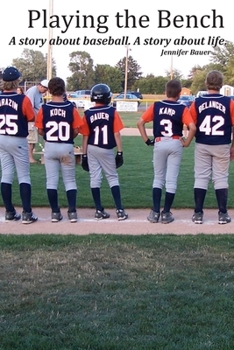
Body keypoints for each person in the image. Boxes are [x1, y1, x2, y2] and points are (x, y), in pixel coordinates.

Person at [137, 79, 196, 224]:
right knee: (171, 180)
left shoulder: (157, 105)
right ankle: (166, 213)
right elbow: (192, 127)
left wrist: (146, 140)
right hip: (175, 142)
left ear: (165, 92)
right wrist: (187, 142)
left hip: (160, 142)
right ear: (180, 93)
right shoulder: (182, 108)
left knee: (158, 178)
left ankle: (155, 212)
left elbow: (140, 123)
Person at [35, 77, 83, 223]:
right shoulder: (71, 108)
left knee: (51, 181)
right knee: (70, 181)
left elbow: (40, 130)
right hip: (66, 145)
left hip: (50, 145)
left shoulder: (44, 108)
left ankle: (55, 212)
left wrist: (49, 136)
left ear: (49, 90)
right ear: (63, 90)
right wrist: (69, 137)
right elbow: (76, 130)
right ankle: (72, 212)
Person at [190, 70, 234, 224]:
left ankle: (198, 213)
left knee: (201, 177)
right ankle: (222, 214)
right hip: (222, 143)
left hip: (202, 143)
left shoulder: (197, 102)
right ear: (221, 84)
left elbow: (190, 124)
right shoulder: (229, 102)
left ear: (206, 83)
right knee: (221, 177)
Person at [79, 83, 128, 221]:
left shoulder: (88, 113)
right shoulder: (112, 112)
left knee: (95, 178)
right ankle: (119, 210)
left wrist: (84, 154)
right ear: (107, 97)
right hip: (106, 148)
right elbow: (116, 134)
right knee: (112, 177)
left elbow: (85, 136)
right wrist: (119, 152)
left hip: (92, 148)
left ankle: (99, 210)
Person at [0, 66, 38, 224]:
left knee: (6, 174)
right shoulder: (23, 99)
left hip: (1, 137)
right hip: (18, 139)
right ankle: (27, 213)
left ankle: (9, 212)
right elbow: (31, 117)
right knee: (23, 176)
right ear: (17, 82)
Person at [25, 79, 48, 163]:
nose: (45, 91)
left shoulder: (39, 92)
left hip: (36, 119)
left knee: (34, 138)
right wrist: (34, 118)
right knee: (31, 139)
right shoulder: (32, 91)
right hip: (31, 119)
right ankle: (29, 157)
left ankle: (31, 156)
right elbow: (29, 107)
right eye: (45, 89)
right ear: (41, 86)